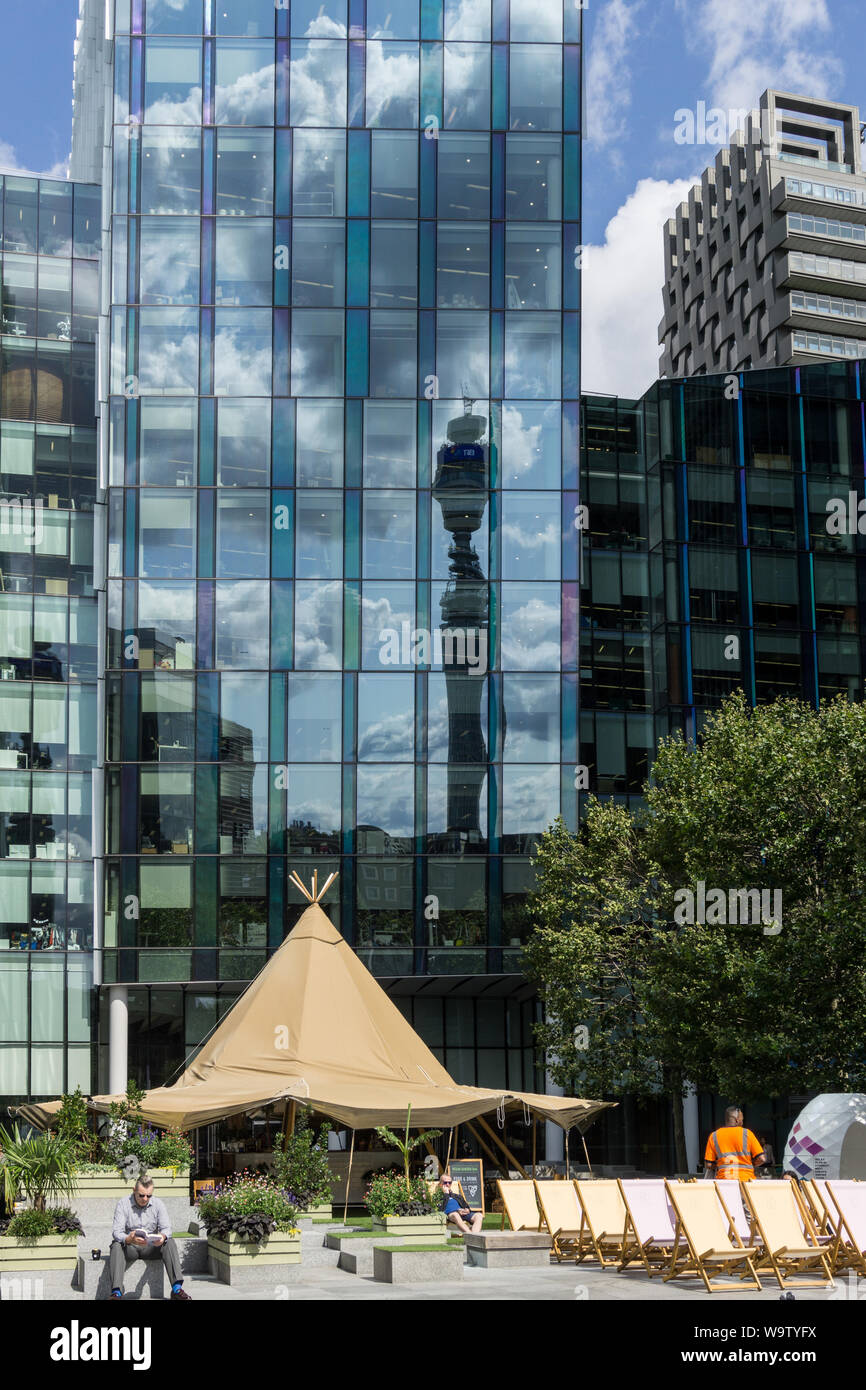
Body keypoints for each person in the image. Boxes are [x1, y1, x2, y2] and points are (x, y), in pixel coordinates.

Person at [109, 1174, 191, 1300]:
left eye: (149, 1195)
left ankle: (177, 1289)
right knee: (116, 1244)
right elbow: (116, 1231)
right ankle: (116, 1293)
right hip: (131, 1247)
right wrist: (128, 1239)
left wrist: (162, 1237)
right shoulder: (123, 1204)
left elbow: (167, 1229)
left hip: (151, 1247)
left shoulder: (158, 1204)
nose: (145, 1198)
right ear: (134, 1190)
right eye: (141, 1195)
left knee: (169, 1242)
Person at [704, 1106, 767, 1181]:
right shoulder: (747, 1133)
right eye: (742, 1119)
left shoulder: (714, 1136)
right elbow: (762, 1159)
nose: (742, 1122)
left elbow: (708, 1164)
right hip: (746, 1180)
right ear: (737, 1120)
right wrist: (750, 1163)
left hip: (724, 1181)